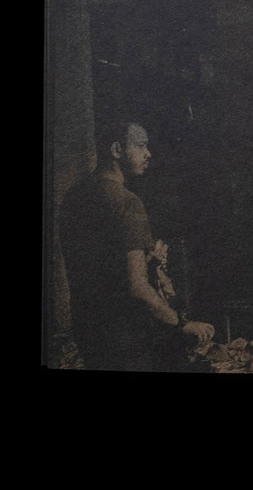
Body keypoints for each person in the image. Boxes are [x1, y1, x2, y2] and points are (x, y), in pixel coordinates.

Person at [59, 118, 215, 372]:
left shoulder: (73, 197)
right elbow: (137, 288)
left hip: (87, 331)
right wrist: (182, 324)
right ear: (117, 150)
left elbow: (96, 266)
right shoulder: (128, 203)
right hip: (125, 337)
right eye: (141, 146)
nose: (148, 153)